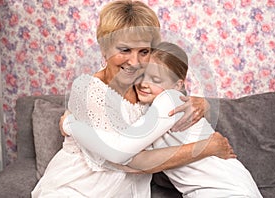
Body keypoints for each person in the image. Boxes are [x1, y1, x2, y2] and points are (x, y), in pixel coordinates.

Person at [32, 1, 234, 197]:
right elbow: (129, 161)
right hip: (78, 189)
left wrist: (203, 104)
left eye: (144, 51)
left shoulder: (145, 88)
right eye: (125, 50)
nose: (135, 62)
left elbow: (176, 99)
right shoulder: (88, 90)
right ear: (104, 48)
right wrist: (206, 149)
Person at [64, 42, 262, 197]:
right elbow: (130, 160)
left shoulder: (170, 100)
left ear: (177, 85)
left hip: (229, 190)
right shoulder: (148, 109)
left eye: (156, 80)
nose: (144, 84)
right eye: (142, 75)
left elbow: (121, 153)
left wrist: (69, 124)